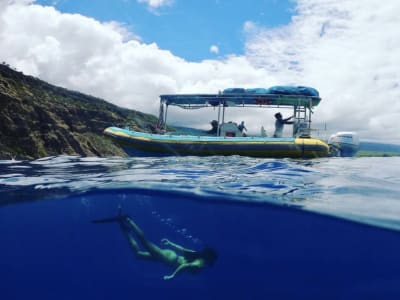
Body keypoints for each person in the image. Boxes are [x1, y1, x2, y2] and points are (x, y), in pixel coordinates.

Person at [92, 213, 217, 280]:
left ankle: (123, 228)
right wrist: (173, 276)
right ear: (209, 258)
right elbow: (185, 265)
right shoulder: (200, 264)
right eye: (212, 260)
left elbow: (183, 250)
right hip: (167, 258)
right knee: (145, 242)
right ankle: (128, 220)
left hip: (168, 256)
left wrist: (170, 244)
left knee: (138, 254)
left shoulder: (198, 256)